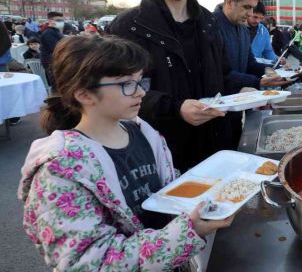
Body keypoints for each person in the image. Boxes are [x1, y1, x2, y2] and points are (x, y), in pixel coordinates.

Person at [18, 35, 233, 270]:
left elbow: (167, 193)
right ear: (84, 94)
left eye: (140, 81)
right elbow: (88, 264)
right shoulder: (60, 171)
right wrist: (188, 233)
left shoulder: (144, 134)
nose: (141, 92)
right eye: (126, 84)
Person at [109, 0, 240, 171]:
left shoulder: (208, 21)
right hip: (162, 148)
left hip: (215, 142)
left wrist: (245, 91)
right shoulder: (128, 26)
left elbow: (224, 75)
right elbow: (119, 91)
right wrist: (176, 108)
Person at [213, 0, 289, 91]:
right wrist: (257, 82)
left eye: (252, 8)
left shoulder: (243, 30)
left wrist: (276, 70)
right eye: (246, 7)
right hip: (217, 103)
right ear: (229, 2)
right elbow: (218, 74)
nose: (250, 13)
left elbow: (250, 64)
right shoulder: (210, 27)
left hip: (241, 101)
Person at [40, 11, 65, 86]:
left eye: (62, 20)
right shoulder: (48, 33)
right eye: (58, 20)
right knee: (56, 86)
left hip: (57, 61)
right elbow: (56, 48)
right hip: (51, 63)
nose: (61, 22)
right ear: (50, 21)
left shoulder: (56, 31)